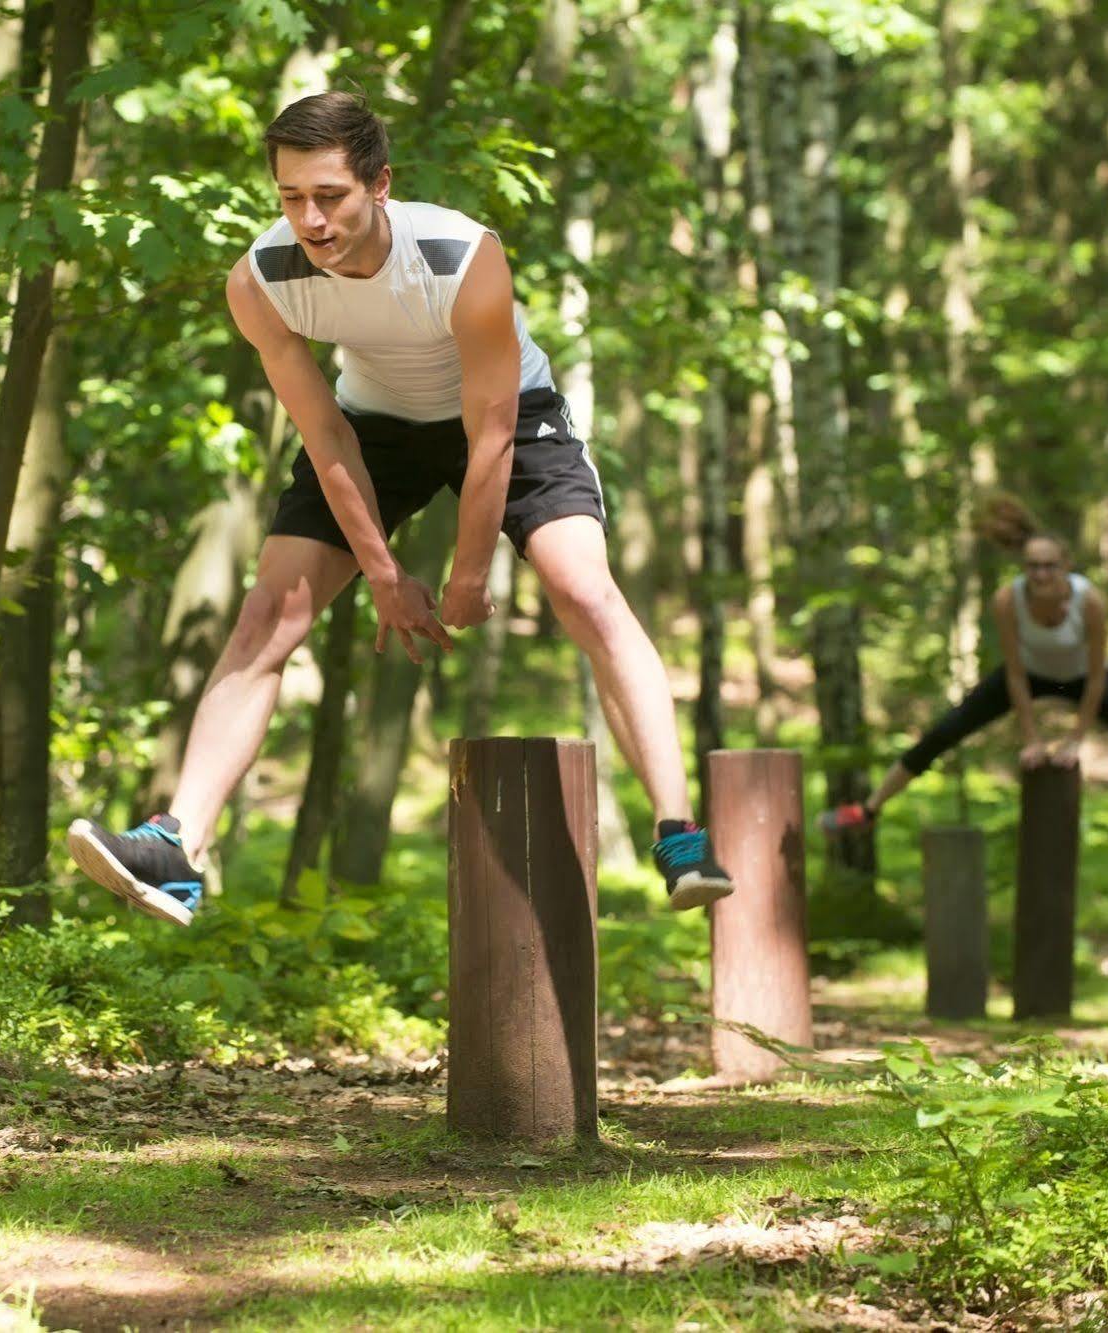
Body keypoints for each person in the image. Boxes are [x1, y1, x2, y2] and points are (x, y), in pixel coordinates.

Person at [66, 92, 734, 926]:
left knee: (582, 588)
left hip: (509, 417)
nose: (309, 219)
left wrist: (466, 572)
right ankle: (177, 845)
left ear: (379, 185)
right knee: (270, 606)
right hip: (371, 428)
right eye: (290, 198)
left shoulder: (460, 256)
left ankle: (678, 834)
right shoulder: (261, 280)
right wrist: (383, 575)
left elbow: (488, 432)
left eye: (329, 196)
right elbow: (325, 437)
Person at [820, 494, 1108, 868]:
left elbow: (1098, 677)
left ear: (1065, 566)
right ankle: (868, 810)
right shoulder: (1009, 600)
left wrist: (1076, 740)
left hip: (1084, 680)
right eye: (1032, 567)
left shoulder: (1089, 601)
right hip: (1029, 676)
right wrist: (1032, 739)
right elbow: (1015, 674)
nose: (1040, 575)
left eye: (1048, 566)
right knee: (945, 731)